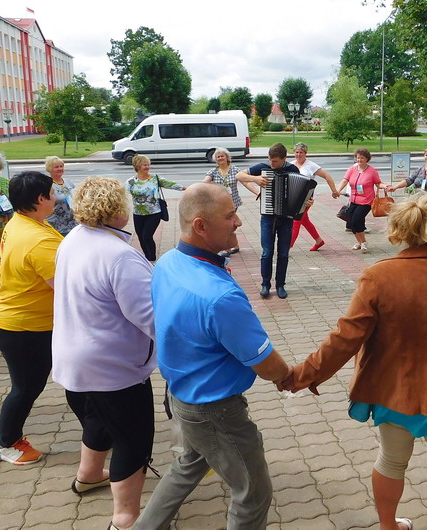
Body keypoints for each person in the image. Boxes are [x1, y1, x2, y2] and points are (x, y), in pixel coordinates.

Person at [278, 192, 427, 530]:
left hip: (393, 391)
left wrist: (302, 374)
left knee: (391, 462)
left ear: (402, 228)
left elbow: (347, 337)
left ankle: (388, 526)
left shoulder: (378, 277)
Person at [135, 183, 292, 530]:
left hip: (182, 395)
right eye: (229, 216)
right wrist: (289, 375)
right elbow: (268, 365)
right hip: (216, 410)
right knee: (252, 492)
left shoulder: (168, 263)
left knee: (186, 467)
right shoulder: (218, 295)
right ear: (200, 226)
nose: (238, 222)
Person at [52, 177, 155, 530]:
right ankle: (126, 519)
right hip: (113, 368)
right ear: (118, 209)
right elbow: (150, 317)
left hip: (74, 360)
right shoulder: (120, 255)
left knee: (97, 418)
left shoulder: (72, 239)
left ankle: (89, 474)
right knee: (133, 439)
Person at [0, 171, 64, 465]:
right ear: (40, 199)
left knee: (31, 383)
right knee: (26, 387)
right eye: (51, 193)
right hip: (22, 326)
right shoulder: (37, 240)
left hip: (19, 320)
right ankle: (6, 442)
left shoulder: (22, 222)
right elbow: (65, 288)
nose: (55, 198)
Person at [235, 143, 300, 299]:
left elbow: (303, 193)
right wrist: (255, 179)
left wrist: (306, 202)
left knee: (283, 253)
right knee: (267, 252)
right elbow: (239, 175)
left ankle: (280, 285)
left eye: (276, 161)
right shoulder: (263, 167)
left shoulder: (292, 170)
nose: (272, 164)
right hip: (268, 217)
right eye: (270, 160)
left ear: (284, 159)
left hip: (286, 218)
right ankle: (265, 284)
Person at [126, 154, 185, 262]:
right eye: (145, 165)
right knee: (140, 236)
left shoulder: (155, 178)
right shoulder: (131, 182)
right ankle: (147, 257)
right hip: (138, 214)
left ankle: (151, 258)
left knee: (146, 236)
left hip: (154, 213)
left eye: (148, 164)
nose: (148, 167)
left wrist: (184, 188)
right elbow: (122, 193)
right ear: (138, 166)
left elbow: (170, 184)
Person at [290, 142, 340, 251]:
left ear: (305, 153)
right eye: (297, 152)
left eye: (301, 152)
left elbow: (327, 176)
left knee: (296, 222)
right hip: (294, 198)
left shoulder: (311, 165)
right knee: (304, 220)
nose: (299, 155)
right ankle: (319, 241)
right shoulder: (291, 164)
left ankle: (287, 247)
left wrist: (334, 191)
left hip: (307, 199)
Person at [336, 147, 388, 253]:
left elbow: (378, 183)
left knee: (356, 220)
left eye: (362, 158)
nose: (359, 160)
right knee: (351, 222)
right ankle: (359, 242)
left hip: (366, 201)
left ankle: (364, 242)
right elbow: (345, 181)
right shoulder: (352, 169)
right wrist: (337, 190)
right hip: (353, 200)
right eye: (358, 158)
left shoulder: (372, 171)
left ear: (367, 159)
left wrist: (385, 186)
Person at [202, 147, 243, 256]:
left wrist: (256, 191)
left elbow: (246, 181)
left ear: (227, 157)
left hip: (233, 202)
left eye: (222, 156)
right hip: (219, 203)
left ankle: (229, 246)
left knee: (227, 224)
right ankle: (233, 245)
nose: (220, 158)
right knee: (226, 224)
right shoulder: (213, 171)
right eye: (218, 157)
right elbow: (205, 182)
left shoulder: (235, 169)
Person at [44, 155, 78, 236]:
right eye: (56, 167)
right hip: (57, 225)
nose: (60, 169)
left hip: (72, 223)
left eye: (61, 166)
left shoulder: (68, 182)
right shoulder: (48, 185)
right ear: (50, 168)